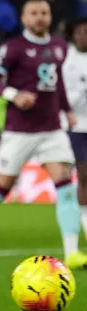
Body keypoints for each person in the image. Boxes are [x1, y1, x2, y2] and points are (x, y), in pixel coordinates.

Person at [0, 0, 86, 268]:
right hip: (18, 132)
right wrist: (13, 95)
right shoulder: (13, 48)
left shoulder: (58, 47)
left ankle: (72, 253)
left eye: (44, 13)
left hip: (51, 130)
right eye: (34, 13)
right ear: (23, 18)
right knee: (1, 190)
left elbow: (57, 87)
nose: (40, 18)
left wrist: (66, 110)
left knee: (66, 186)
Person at [62, 18, 87, 240]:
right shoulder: (67, 59)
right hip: (76, 125)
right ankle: (83, 223)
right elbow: (64, 97)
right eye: (80, 32)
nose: (83, 36)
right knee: (84, 174)